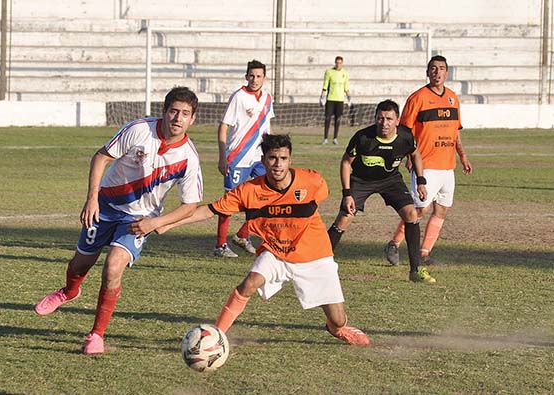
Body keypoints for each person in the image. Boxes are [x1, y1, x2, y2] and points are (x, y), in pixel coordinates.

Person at [33, 86, 203, 355]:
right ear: (164, 111)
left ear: (192, 119)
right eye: (173, 111)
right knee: (81, 262)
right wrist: (91, 198)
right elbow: (101, 157)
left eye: (184, 114)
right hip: (105, 206)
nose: (177, 118)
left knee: (113, 267)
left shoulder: (189, 158)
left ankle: (96, 335)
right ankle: (69, 291)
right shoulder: (139, 130)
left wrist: (155, 223)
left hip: (138, 219)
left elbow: (190, 205)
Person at [158, 134, 369, 345]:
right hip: (276, 251)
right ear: (263, 160)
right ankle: (215, 337)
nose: (278, 164)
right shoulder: (249, 191)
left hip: (314, 254)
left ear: (290, 160)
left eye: (283, 158)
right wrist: (168, 223)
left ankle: (337, 328)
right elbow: (208, 210)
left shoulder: (312, 181)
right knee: (248, 284)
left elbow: (323, 196)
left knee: (338, 319)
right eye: (272, 158)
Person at [326, 100, 436, 284]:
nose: (384, 123)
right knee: (345, 217)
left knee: (411, 214)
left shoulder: (405, 136)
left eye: (389, 119)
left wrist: (421, 182)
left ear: (397, 120)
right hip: (361, 180)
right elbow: (346, 162)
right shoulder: (363, 137)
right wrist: (347, 193)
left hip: (390, 180)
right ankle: (320, 264)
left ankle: (415, 270)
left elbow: (415, 154)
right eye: (380, 118)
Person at [384, 55, 473, 266]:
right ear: (427, 72)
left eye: (441, 68)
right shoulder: (418, 98)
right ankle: (394, 244)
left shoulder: (452, 98)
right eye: (433, 68)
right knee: (420, 209)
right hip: (425, 164)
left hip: (447, 166)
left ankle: (424, 253)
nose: (437, 72)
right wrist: (408, 157)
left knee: (442, 209)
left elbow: (455, 131)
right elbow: (404, 132)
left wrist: (463, 156)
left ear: (447, 73)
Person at [214, 59, 275, 258]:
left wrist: (271, 152)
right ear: (246, 76)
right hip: (238, 157)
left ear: (264, 78)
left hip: (259, 158)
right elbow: (223, 126)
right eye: (251, 75)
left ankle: (243, 234)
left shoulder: (267, 98)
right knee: (229, 202)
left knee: (268, 195)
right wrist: (223, 157)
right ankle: (220, 245)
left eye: (258, 76)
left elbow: (267, 126)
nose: (255, 79)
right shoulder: (238, 97)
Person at [320, 56, 350, 145]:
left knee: (338, 119)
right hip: (330, 99)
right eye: (337, 63)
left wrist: (349, 98)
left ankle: (335, 138)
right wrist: (322, 97)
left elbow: (346, 86)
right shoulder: (329, 72)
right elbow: (325, 84)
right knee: (328, 118)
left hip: (340, 100)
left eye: (340, 63)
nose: (338, 64)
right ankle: (325, 138)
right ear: (335, 63)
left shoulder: (345, 73)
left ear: (342, 63)